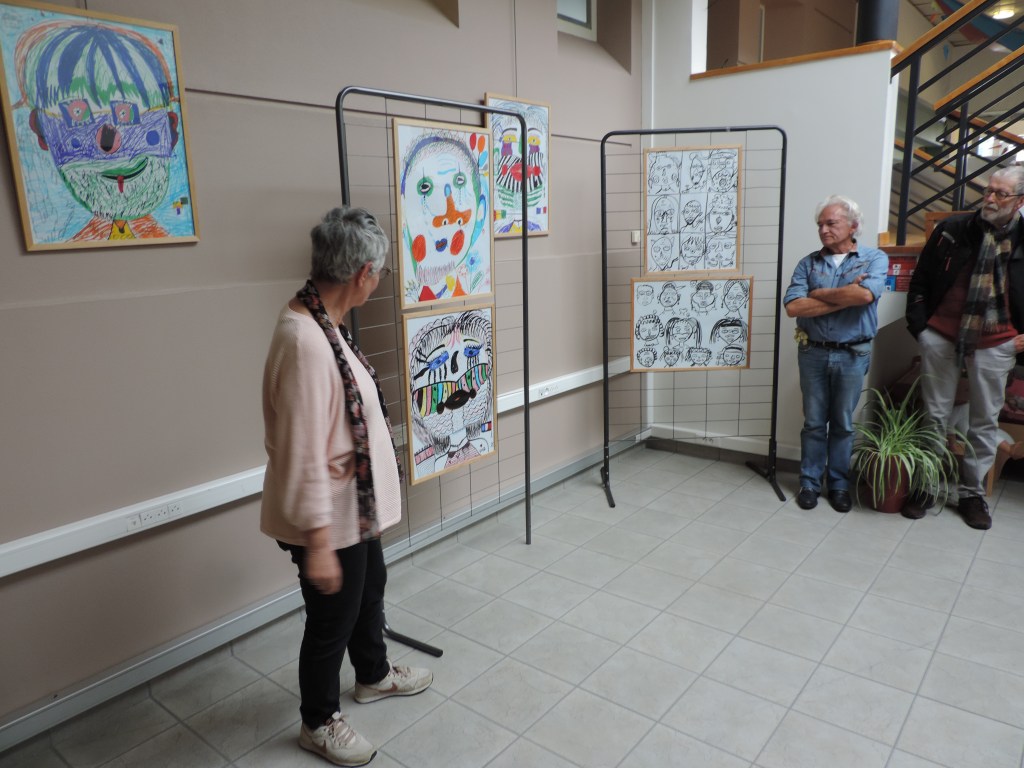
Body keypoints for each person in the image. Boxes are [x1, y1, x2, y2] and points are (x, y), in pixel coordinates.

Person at [261, 207, 432, 766]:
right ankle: (318, 721)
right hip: (328, 518)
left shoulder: (323, 321)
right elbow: (303, 453)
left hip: (353, 509)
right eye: (378, 273)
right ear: (363, 274)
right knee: (331, 619)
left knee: (369, 589)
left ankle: (373, 675)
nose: (378, 282)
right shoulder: (306, 341)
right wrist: (317, 543)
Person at [904, 166, 1024, 529]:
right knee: (934, 415)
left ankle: (971, 494)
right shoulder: (953, 230)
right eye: (989, 190)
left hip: (997, 342)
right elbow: (921, 279)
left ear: (1020, 201)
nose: (990, 198)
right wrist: (921, 328)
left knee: (983, 420)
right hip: (940, 335)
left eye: (1001, 193)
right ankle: (924, 485)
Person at [784, 195, 888, 512]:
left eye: (831, 223)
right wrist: (846, 296)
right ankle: (809, 483)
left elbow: (866, 295)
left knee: (843, 424)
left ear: (853, 226)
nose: (824, 230)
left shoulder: (874, 259)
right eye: (820, 224)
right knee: (814, 423)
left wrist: (818, 293)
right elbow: (794, 307)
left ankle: (840, 485)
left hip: (852, 355)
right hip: (813, 353)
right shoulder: (808, 263)